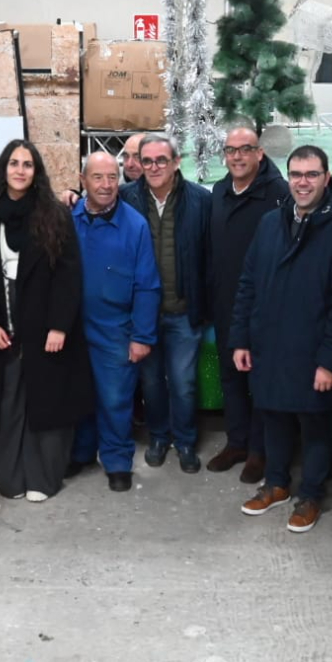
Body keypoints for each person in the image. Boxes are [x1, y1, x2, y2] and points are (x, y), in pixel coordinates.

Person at [231, 146, 332, 533]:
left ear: (326, 178)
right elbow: (248, 284)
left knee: (315, 425)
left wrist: (330, 362)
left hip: (312, 351)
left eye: (311, 174)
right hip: (269, 345)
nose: (302, 182)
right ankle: (276, 484)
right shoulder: (270, 224)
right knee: (272, 416)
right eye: (296, 174)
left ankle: (311, 494)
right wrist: (241, 338)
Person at [0, 141, 95, 499]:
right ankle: (11, 480)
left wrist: (59, 326)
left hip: (45, 330)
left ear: (36, 172)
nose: (20, 170)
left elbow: (69, 275)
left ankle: (42, 479)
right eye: (14, 163)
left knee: (46, 407)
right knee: (5, 408)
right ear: (3, 169)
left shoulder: (55, 215)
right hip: (1, 330)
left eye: (27, 164)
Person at [68, 151, 160, 491]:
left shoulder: (134, 225)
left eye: (112, 177)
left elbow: (147, 284)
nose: (106, 185)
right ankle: (81, 453)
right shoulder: (69, 219)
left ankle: (118, 460)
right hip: (74, 328)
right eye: (98, 177)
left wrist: (142, 336)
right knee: (79, 394)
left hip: (115, 328)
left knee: (115, 398)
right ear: (83, 181)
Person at [120, 134, 211, 473]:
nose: (154, 167)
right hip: (143, 315)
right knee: (152, 382)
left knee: (183, 382)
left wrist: (205, 303)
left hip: (183, 311)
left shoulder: (200, 201)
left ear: (176, 162)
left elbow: (210, 256)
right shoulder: (127, 198)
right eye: (147, 161)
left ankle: (185, 440)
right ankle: (159, 436)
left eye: (161, 160)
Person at [206, 120, 289, 483]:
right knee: (230, 376)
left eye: (245, 150)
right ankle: (236, 442)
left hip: (265, 306)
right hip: (226, 302)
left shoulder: (279, 193)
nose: (237, 157)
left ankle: (259, 450)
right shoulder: (219, 191)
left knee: (260, 379)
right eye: (231, 150)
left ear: (260, 153)